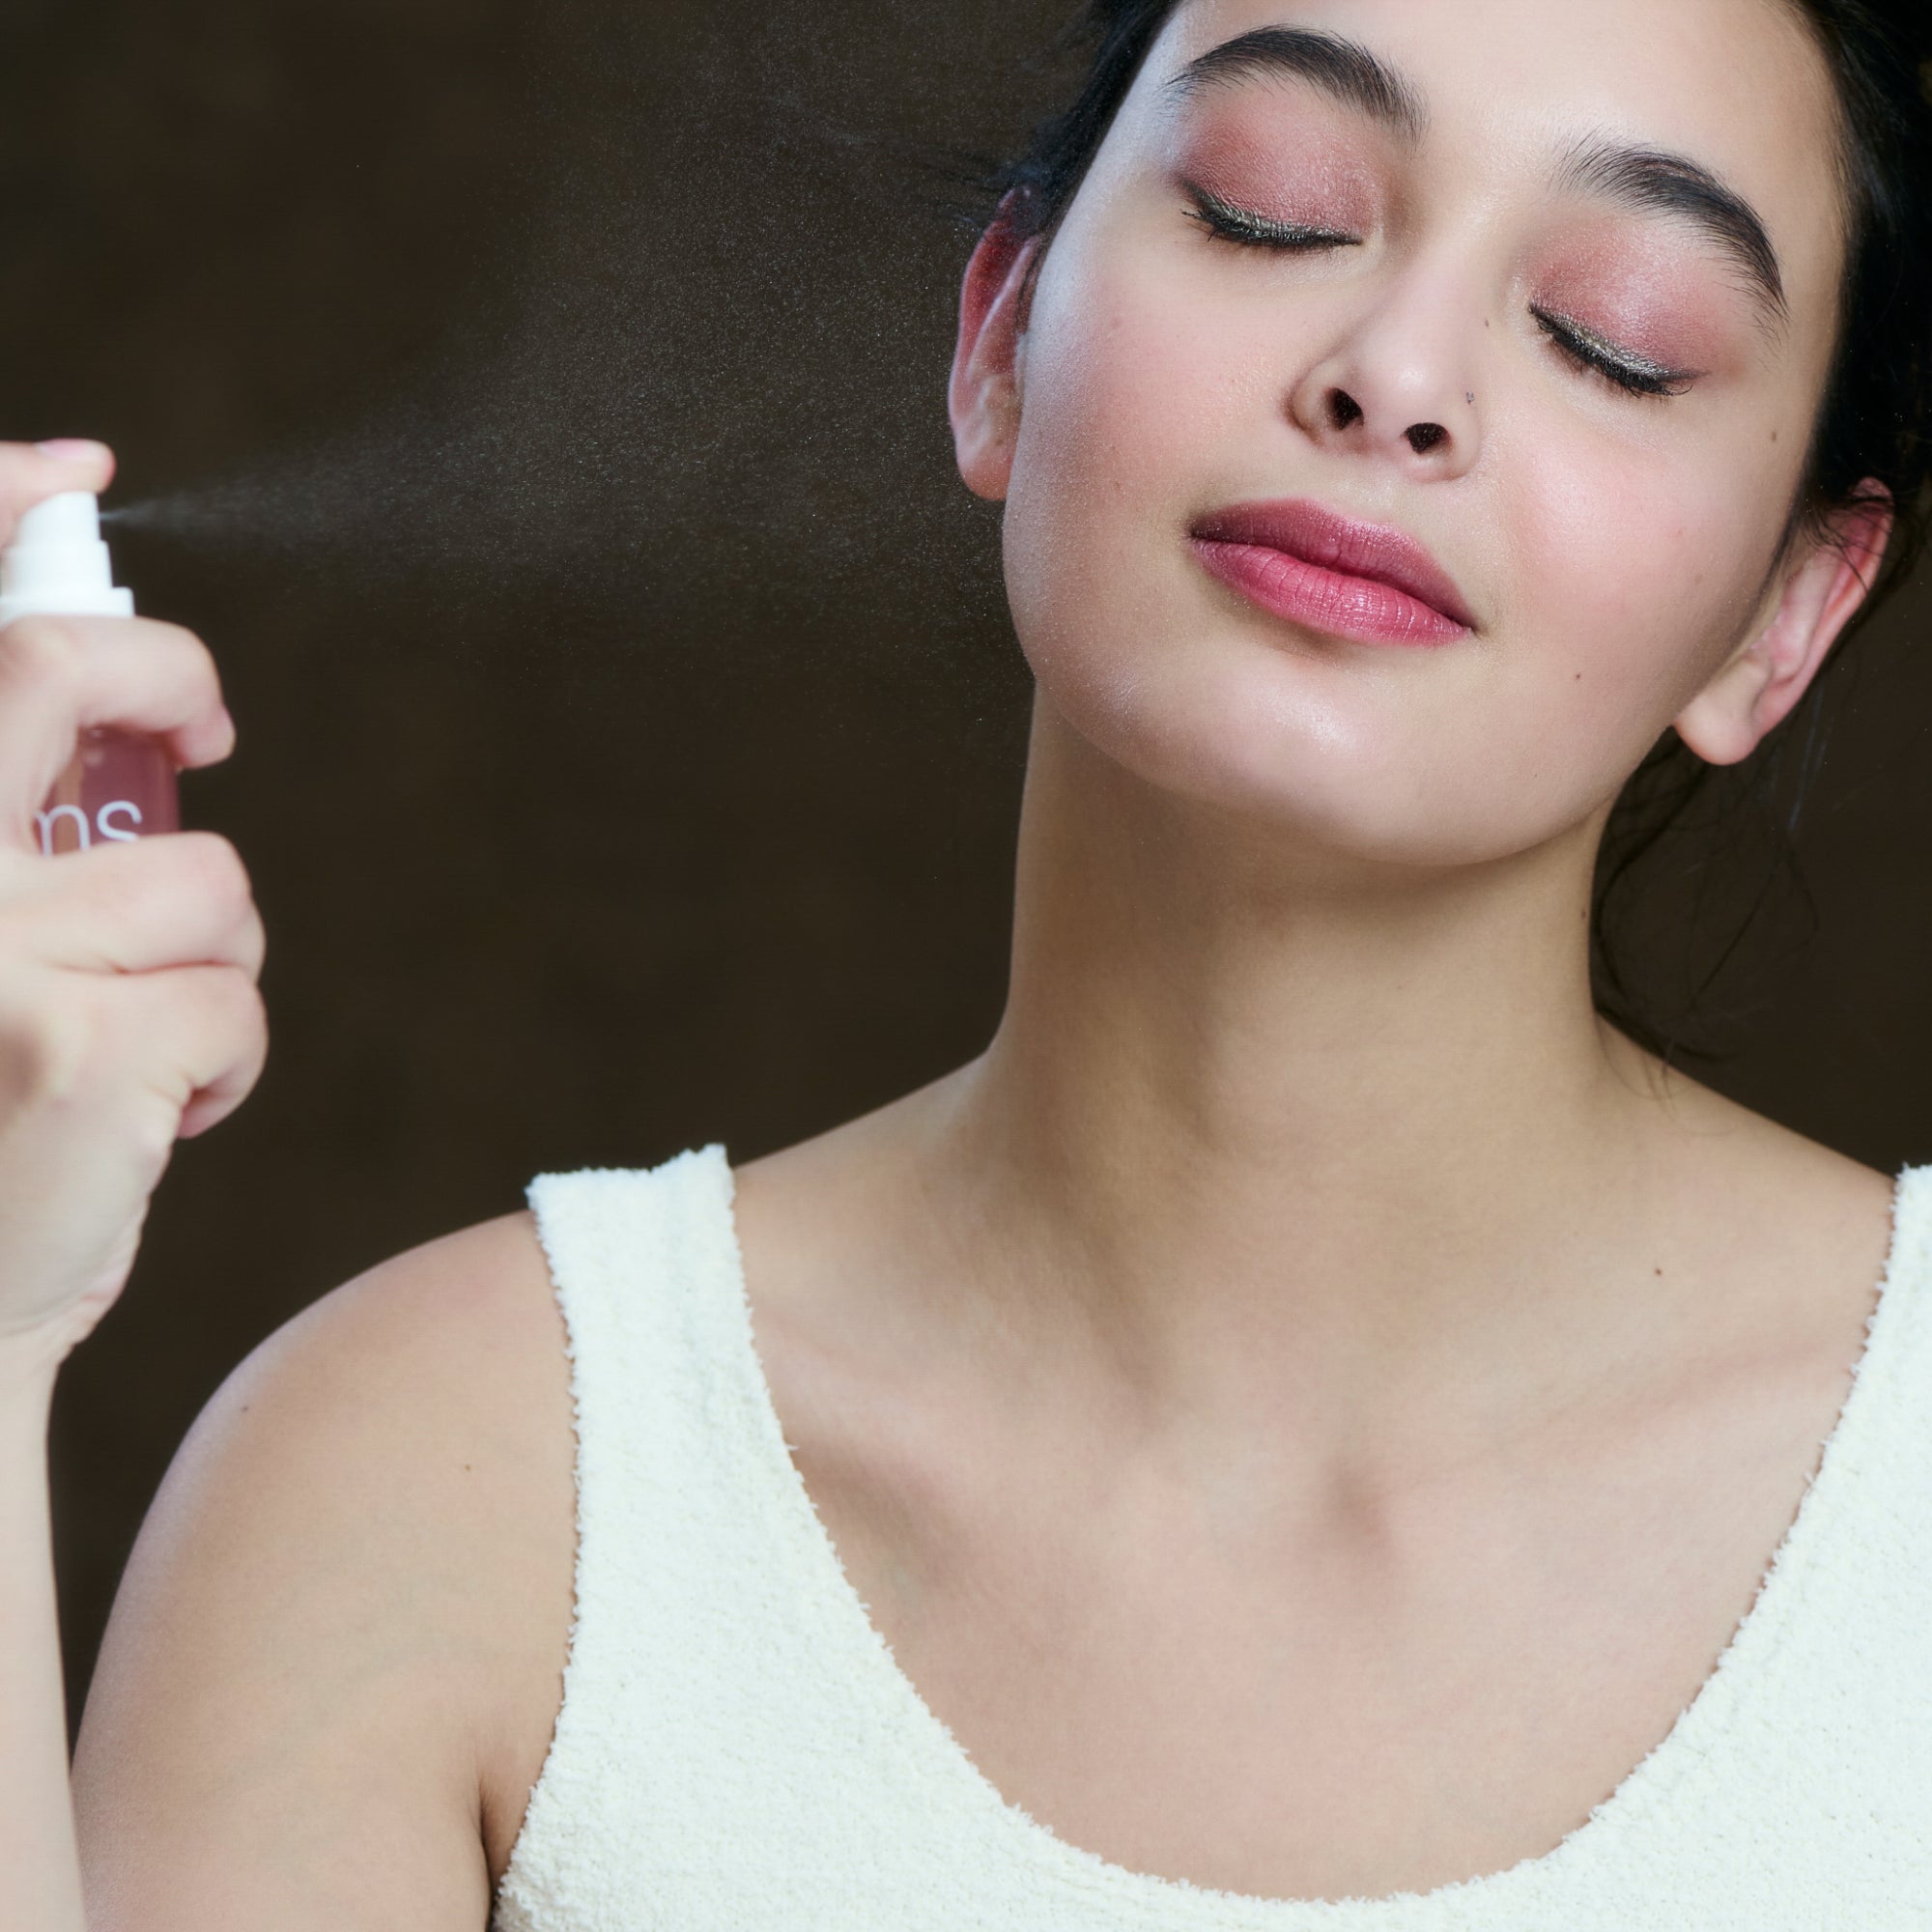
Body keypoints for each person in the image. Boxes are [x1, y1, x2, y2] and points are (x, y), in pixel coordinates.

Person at [5, 0, 1931, 1922]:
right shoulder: (435, 1490)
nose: (1397, 374)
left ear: (1781, 614)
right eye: (1272, 212)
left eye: (1616, 337)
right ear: (999, 344)